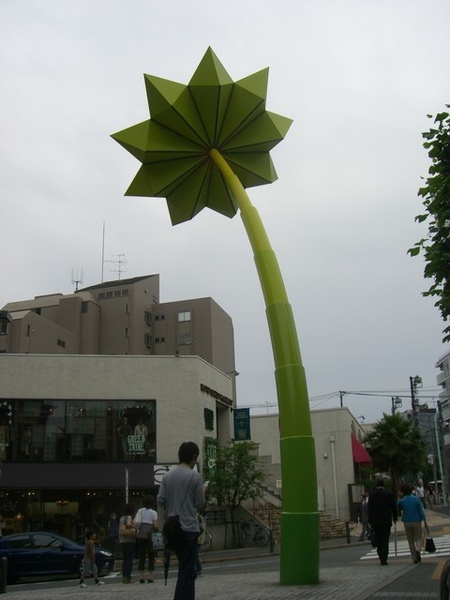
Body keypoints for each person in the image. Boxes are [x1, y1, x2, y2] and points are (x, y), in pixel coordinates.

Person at [157, 441, 206, 600]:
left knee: (186, 568)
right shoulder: (195, 476)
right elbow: (199, 503)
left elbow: (161, 500)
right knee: (186, 570)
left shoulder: (167, 476)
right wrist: (204, 491)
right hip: (189, 528)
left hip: (173, 529)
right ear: (193, 456)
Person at [368, 478, 397, 566]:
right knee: (385, 540)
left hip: (375, 522)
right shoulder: (389, 494)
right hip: (386, 521)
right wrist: (395, 518)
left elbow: (370, 509)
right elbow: (393, 507)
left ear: (376, 485)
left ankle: (380, 553)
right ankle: (384, 558)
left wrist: (370, 521)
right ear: (384, 485)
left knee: (378, 538)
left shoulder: (372, 495)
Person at [397, 484, 428, 564]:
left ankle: (414, 558)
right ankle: (418, 550)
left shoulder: (402, 501)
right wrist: (424, 520)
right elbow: (420, 510)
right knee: (418, 538)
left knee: (410, 539)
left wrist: (400, 497)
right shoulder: (416, 499)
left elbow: (397, 505)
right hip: (416, 520)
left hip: (407, 521)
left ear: (403, 492)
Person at [134, 494, 158, 583]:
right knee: (151, 555)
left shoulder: (140, 511)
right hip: (150, 533)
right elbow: (155, 525)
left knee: (142, 555)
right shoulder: (154, 512)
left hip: (141, 533)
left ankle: (141, 576)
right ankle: (150, 576)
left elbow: (136, 522)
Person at [119, 502, 137, 583]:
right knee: (129, 559)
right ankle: (127, 577)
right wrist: (134, 526)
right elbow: (129, 525)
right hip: (129, 540)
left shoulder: (122, 518)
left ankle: (124, 576)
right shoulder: (129, 517)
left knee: (125, 559)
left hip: (122, 540)